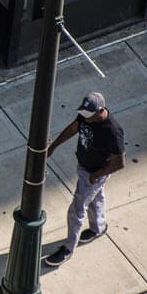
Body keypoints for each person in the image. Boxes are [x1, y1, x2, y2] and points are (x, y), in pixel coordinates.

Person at [43, 92, 125, 266]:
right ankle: (98, 227)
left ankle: (67, 249)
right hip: (84, 166)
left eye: (88, 115)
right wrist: (54, 146)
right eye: (84, 114)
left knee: (77, 209)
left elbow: (119, 163)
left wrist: (96, 175)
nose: (84, 118)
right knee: (96, 196)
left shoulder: (112, 131)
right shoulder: (85, 116)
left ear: (100, 112)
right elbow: (74, 128)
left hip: (94, 172)